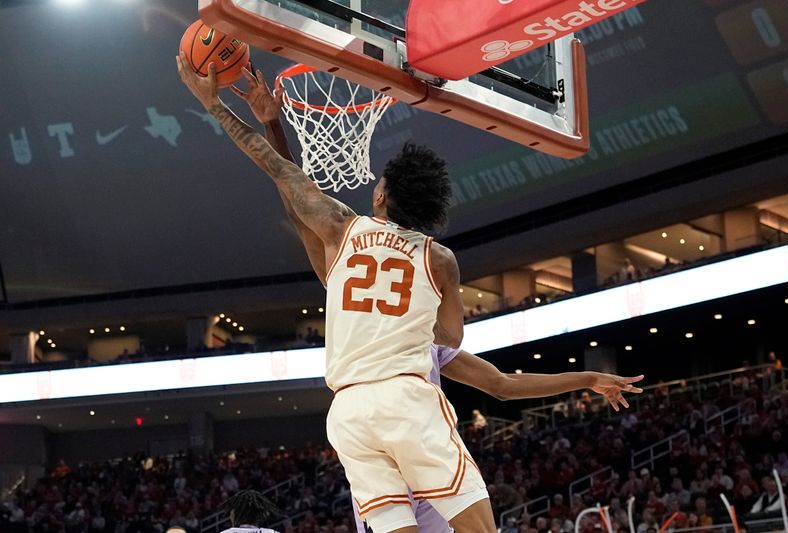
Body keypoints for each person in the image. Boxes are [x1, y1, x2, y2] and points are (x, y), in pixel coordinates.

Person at [177, 57, 643, 533]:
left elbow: (284, 179)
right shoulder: (439, 260)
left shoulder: (341, 232)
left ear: (381, 196)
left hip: (350, 413)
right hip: (407, 404)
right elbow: (454, 339)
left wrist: (227, 108)